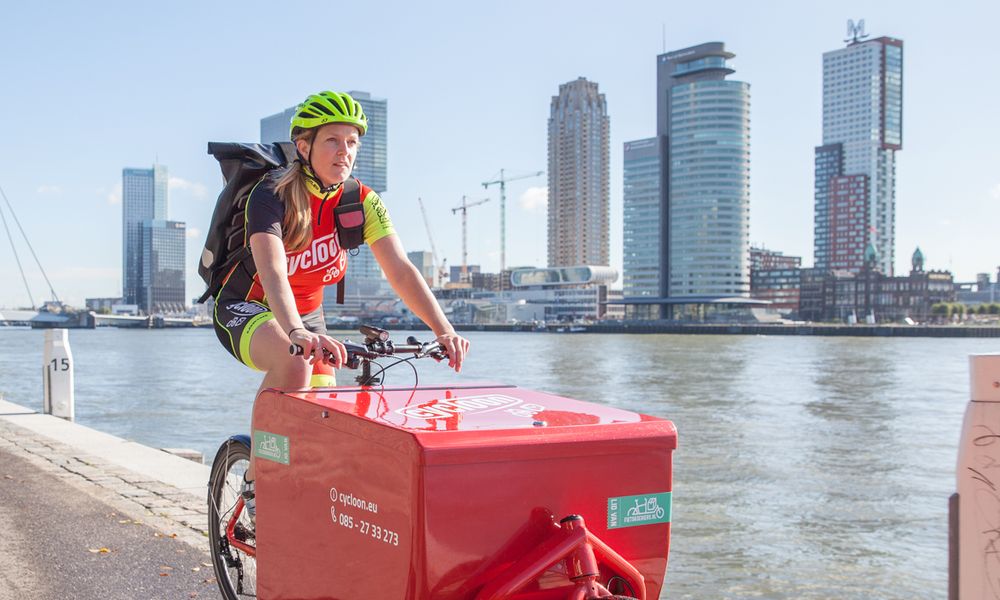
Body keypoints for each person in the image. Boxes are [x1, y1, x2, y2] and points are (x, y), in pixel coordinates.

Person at [210, 90, 470, 523]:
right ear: (304, 146)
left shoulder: (361, 201)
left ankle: (314, 507)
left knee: (326, 415)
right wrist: (295, 332)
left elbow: (400, 269)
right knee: (294, 364)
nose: (344, 151)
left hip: (308, 317)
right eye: (332, 140)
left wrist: (443, 329)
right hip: (247, 305)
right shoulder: (270, 195)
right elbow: (272, 271)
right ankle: (256, 482)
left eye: (352, 142)